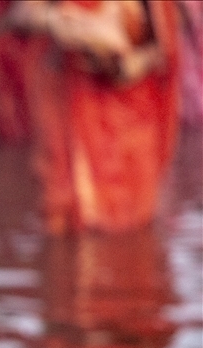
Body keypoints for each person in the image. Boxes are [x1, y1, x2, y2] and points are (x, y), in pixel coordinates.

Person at [14, 0, 181, 234]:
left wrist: (120, 58)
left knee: (128, 228)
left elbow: (157, 50)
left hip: (127, 116)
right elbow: (24, 16)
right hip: (68, 105)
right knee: (66, 216)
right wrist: (59, 22)